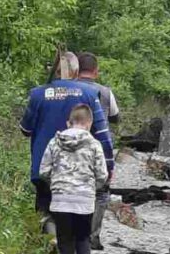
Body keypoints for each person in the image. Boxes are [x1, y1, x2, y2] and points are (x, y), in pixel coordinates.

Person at [20, 51, 114, 235]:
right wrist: (108, 164)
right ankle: (71, 250)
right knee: (76, 215)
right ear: (76, 71)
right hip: (78, 168)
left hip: (43, 166)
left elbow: (26, 130)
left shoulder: (37, 94)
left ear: (55, 71)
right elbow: (102, 134)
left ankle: (49, 243)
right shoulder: (89, 93)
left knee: (45, 209)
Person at [38, 104, 108, 254]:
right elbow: (102, 175)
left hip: (61, 199)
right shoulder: (94, 144)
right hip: (84, 198)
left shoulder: (55, 142)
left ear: (69, 122)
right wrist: (93, 186)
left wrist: (56, 183)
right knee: (83, 237)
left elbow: (43, 170)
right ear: (89, 123)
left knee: (65, 241)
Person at [76, 51, 120, 250]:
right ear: (96, 70)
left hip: (72, 148)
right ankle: (93, 236)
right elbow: (115, 117)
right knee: (101, 193)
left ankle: (72, 235)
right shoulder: (104, 92)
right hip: (99, 149)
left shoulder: (69, 89)